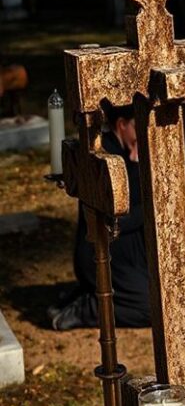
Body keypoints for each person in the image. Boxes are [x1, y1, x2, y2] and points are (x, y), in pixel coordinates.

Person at [51, 103, 150, 330]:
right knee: (148, 308)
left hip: (128, 251)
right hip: (104, 250)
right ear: (122, 125)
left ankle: (79, 294)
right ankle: (88, 308)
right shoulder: (107, 154)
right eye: (138, 126)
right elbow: (119, 217)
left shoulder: (128, 151)